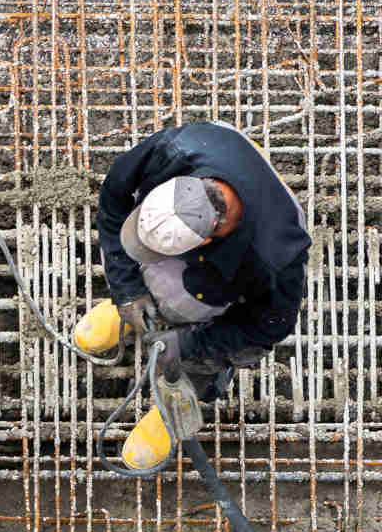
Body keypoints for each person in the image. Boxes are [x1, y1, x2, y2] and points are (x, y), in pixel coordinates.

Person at [72, 121, 310, 470]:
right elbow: (113, 199)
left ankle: (186, 396)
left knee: (214, 332)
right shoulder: (177, 150)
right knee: (148, 277)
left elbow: (267, 329)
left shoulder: (276, 255)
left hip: (225, 290)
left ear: (206, 242)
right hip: (228, 160)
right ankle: (131, 309)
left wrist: (190, 345)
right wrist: (126, 291)